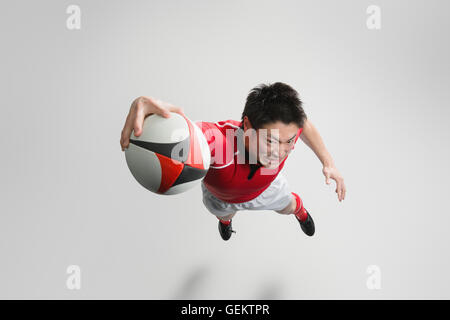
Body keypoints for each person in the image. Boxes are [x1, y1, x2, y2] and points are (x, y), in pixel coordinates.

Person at [120, 82, 346, 241]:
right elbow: (185, 134)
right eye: (270, 141)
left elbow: (304, 124)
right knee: (223, 214)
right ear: (247, 126)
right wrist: (150, 115)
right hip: (220, 198)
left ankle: (301, 213)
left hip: (266, 188)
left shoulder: (287, 131)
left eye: (288, 142)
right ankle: (226, 222)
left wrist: (328, 162)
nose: (280, 152)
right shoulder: (217, 142)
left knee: (290, 206)